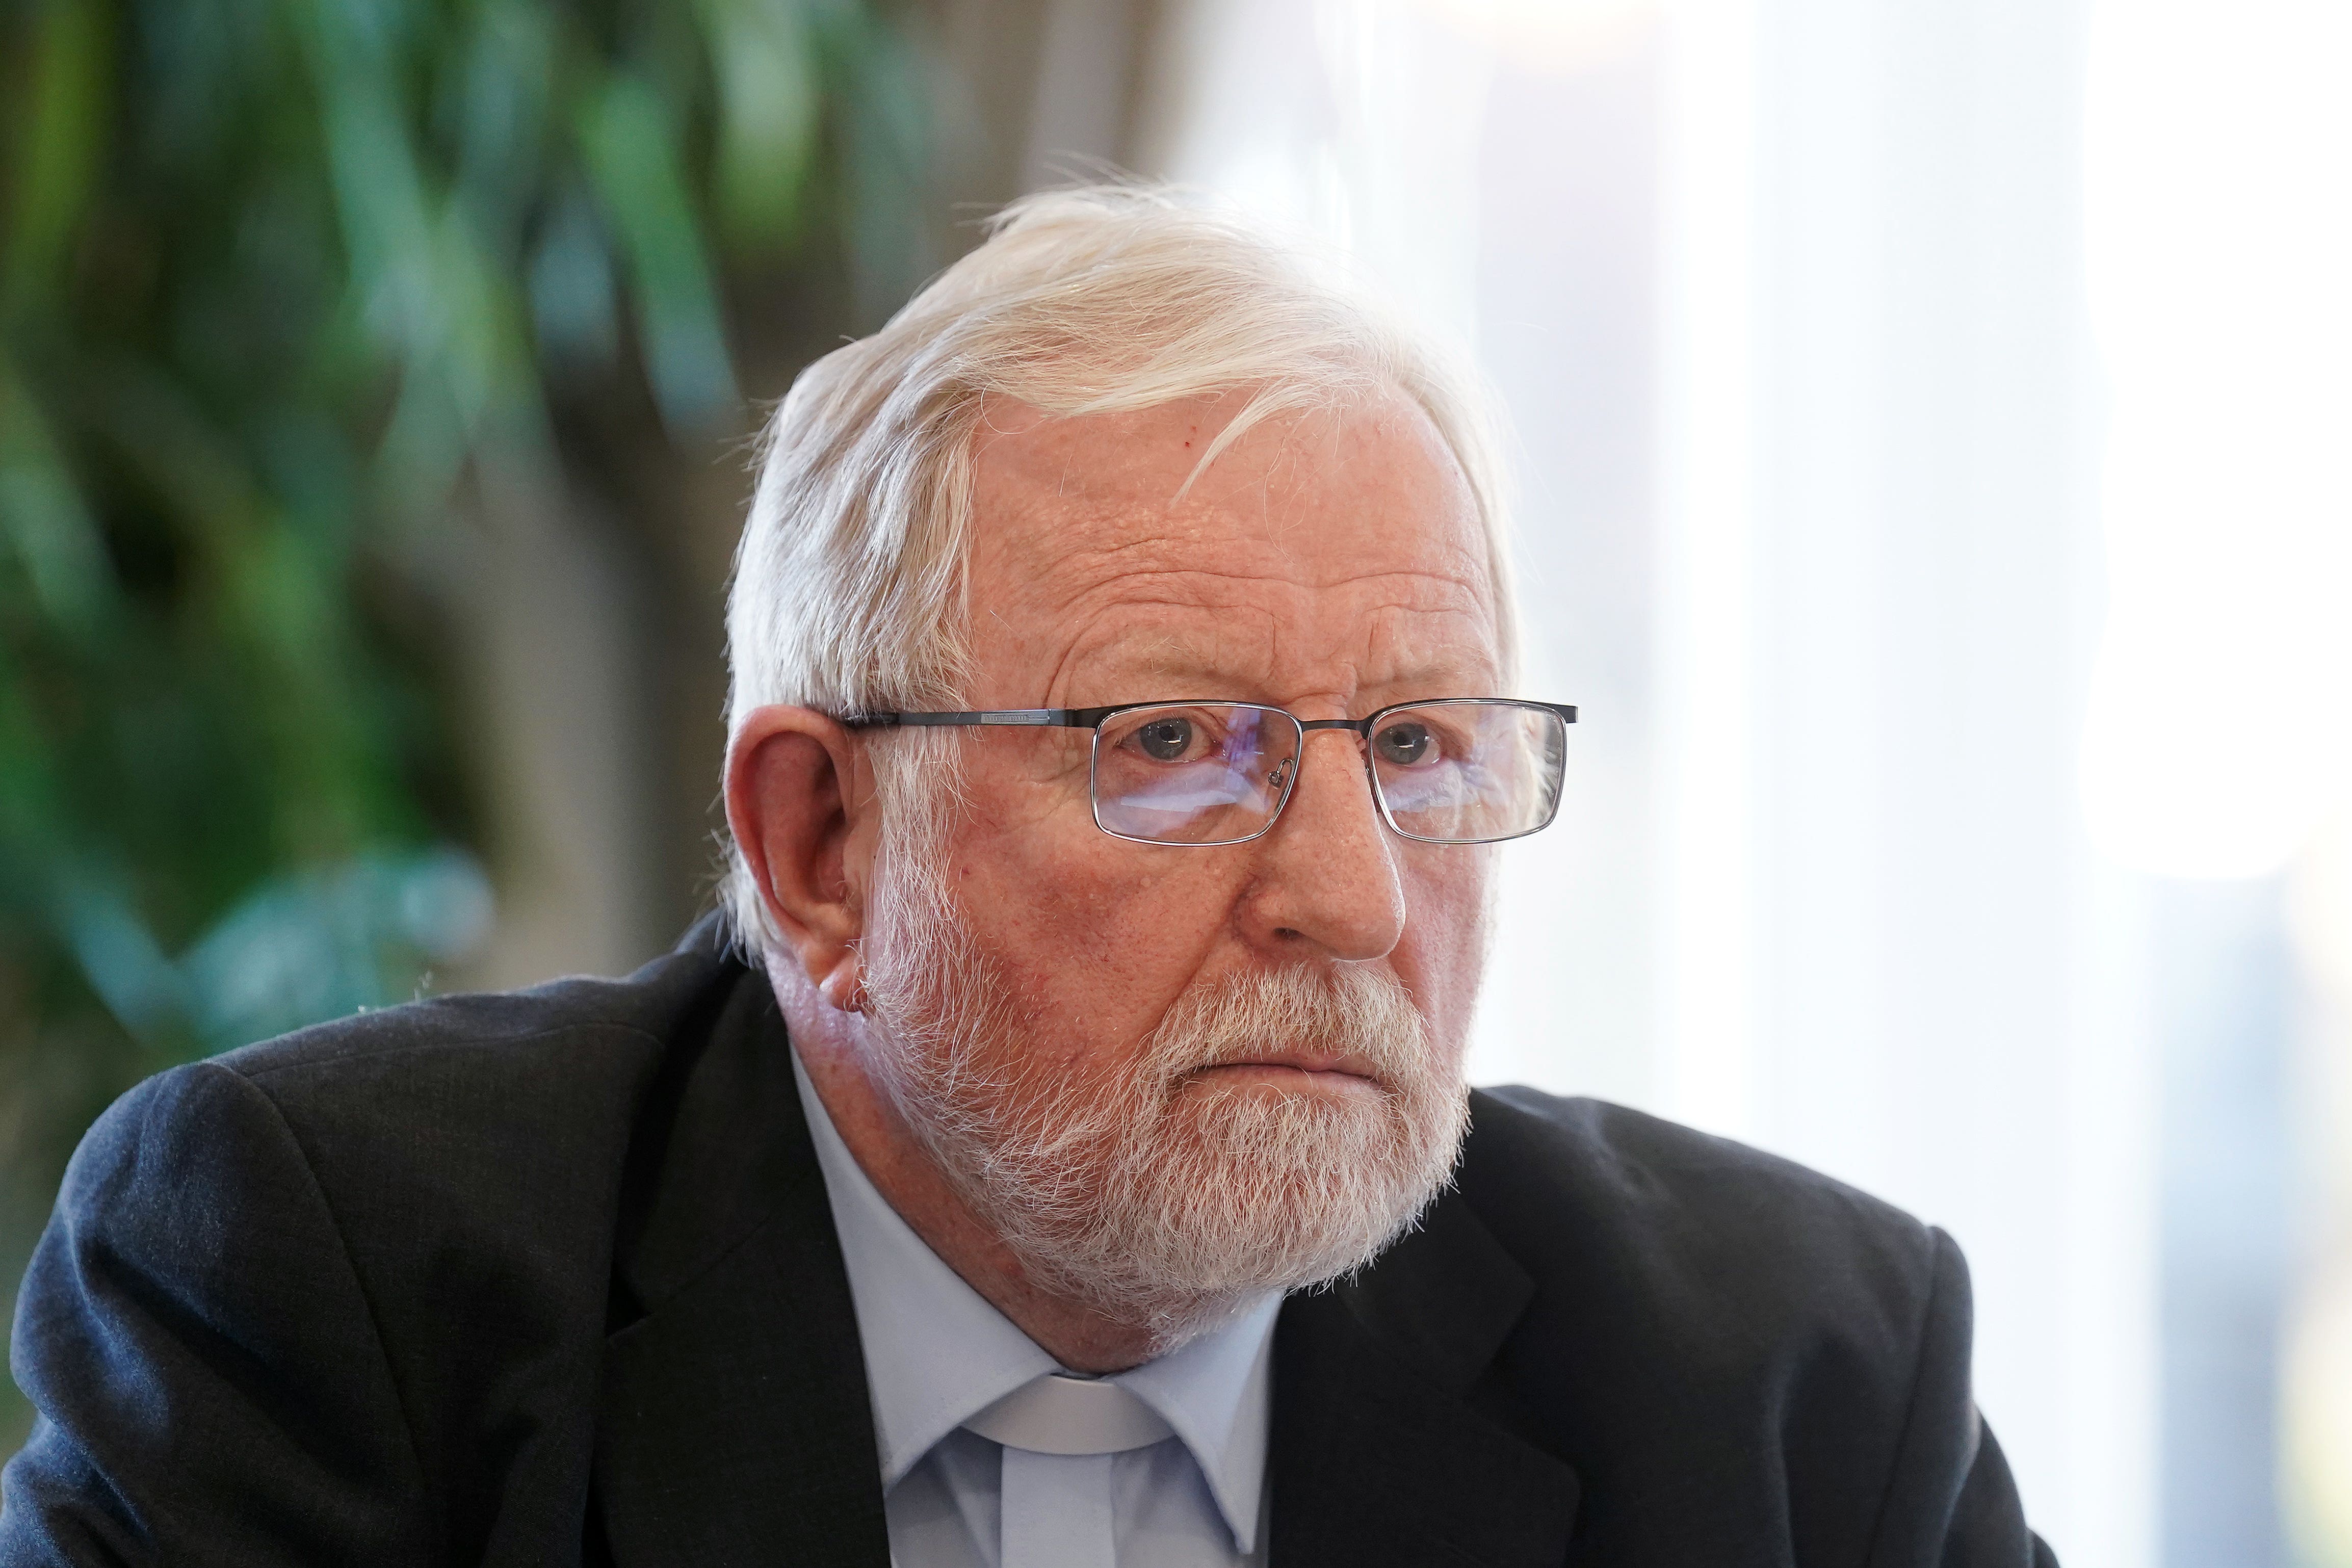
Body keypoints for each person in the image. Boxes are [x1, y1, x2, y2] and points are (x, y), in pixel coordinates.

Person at [1, 186, 2056, 1567]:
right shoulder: (331, 1296)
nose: (1347, 895)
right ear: (818, 843)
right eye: (1170, 743)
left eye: (1418, 746)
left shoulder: (1799, 1395)